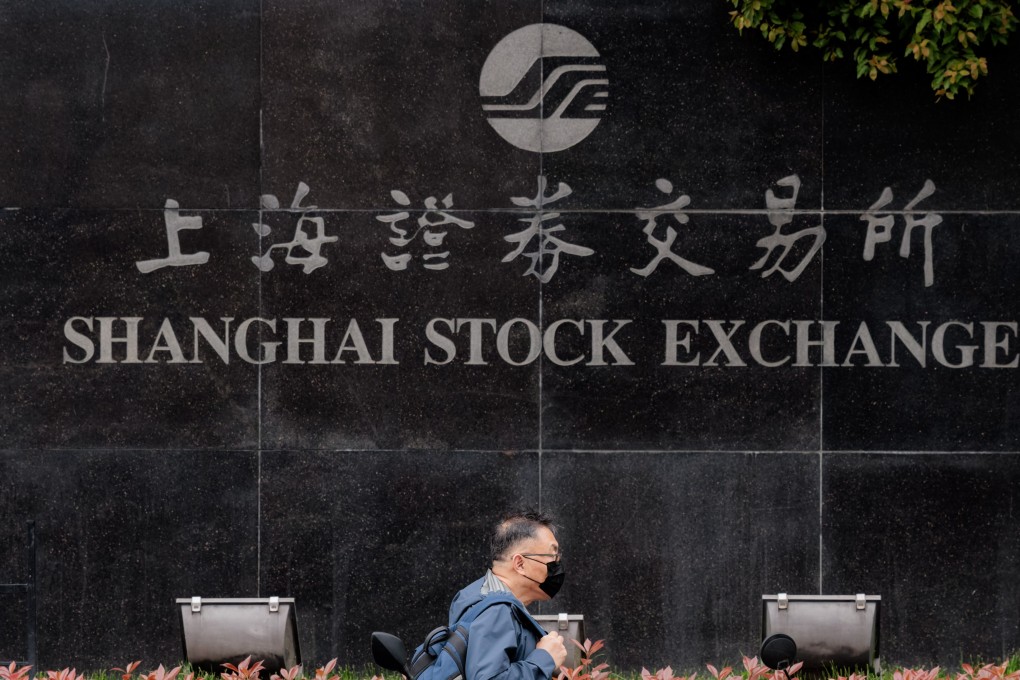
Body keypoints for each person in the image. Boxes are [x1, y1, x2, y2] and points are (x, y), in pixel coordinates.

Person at [447, 510, 569, 680]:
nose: (557, 563)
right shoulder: (496, 611)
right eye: (552, 555)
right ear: (520, 563)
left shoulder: (473, 594)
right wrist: (545, 658)